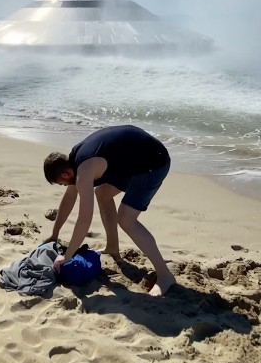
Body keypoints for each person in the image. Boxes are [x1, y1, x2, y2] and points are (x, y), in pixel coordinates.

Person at [43, 124, 175, 297]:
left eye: (62, 183)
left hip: (153, 163)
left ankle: (165, 276)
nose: (65, 186)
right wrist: (55, 233)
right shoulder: (75, 161)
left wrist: (66, 257)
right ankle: (113, 247)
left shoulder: (84, 170)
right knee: (103, 193)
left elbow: (84, 219)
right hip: (134, 158)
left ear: (66, 174)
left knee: (126, 219)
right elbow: (69, 198)